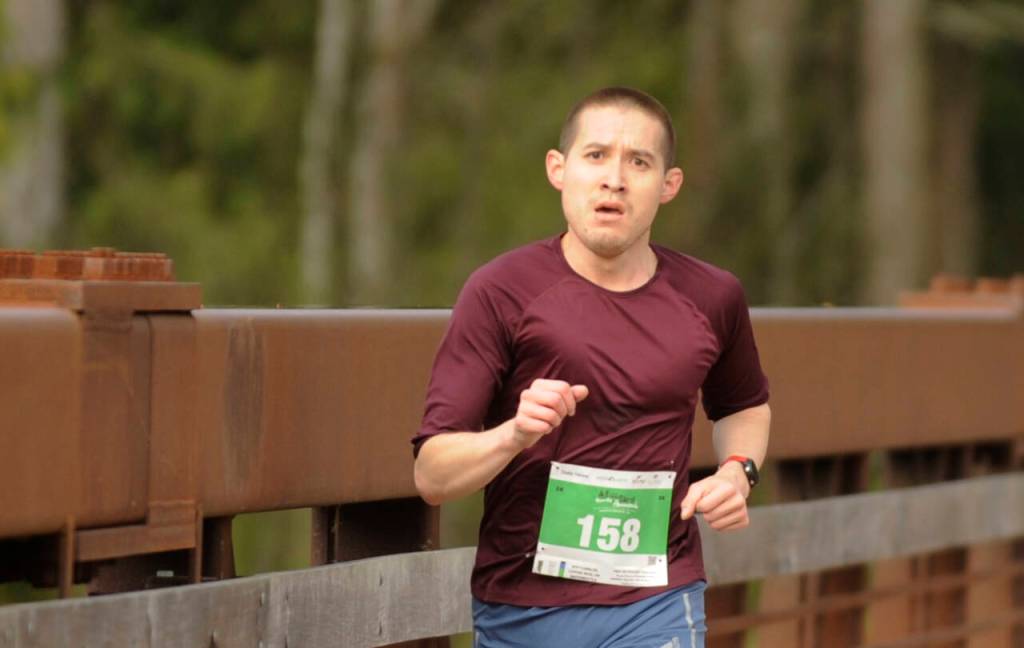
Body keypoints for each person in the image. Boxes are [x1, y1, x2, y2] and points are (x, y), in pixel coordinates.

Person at [412, 87, 771, 648]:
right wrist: (514, 434)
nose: (615, 179)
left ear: (668, 185)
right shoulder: (500, 291)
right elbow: (432, 475)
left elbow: (744, 405)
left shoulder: (713, 297)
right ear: (559, 169)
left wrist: (737, 472)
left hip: (656, 596)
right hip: (521, 603)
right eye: (596, 155)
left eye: (639, 162)